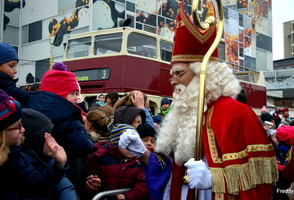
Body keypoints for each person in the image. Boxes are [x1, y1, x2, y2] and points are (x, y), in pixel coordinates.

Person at [118, 1, 278, 199]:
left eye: (179, 73)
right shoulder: (185, 113)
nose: (173, 82)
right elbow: (172, 170)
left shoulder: (237, 114)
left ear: (204, 74)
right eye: (172, 75)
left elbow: (256, 181)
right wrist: (142, 152)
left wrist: (214, 180)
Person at [23, 62, 95, 187]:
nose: (77, 98)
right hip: (66, 171)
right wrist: (89, 136)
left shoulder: (31, 110)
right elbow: (84, 146)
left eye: (76, 93)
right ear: (60, 94)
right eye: (72, 93)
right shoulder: (69, 118)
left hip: (35, 171)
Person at [0, 89, 69, 199]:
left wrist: (58, 165)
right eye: (18, 126)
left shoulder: (14, 156)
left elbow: (35, 185)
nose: (23, 129)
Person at [21, 108, 80, 199]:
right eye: (48, 136)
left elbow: (65, 188)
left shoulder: (48, 161)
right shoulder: (19, 166)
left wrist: (59, 165)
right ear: (37, 141)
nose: (53, 140)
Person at [82, 124, 150, 200]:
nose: (132, 148)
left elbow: (143, 184)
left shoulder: (140, 160)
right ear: (117, 143)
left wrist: (127, 196)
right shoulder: (97, 157)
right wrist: (92, 184)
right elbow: (85, 185)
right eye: (128, 144)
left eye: (134, 144)